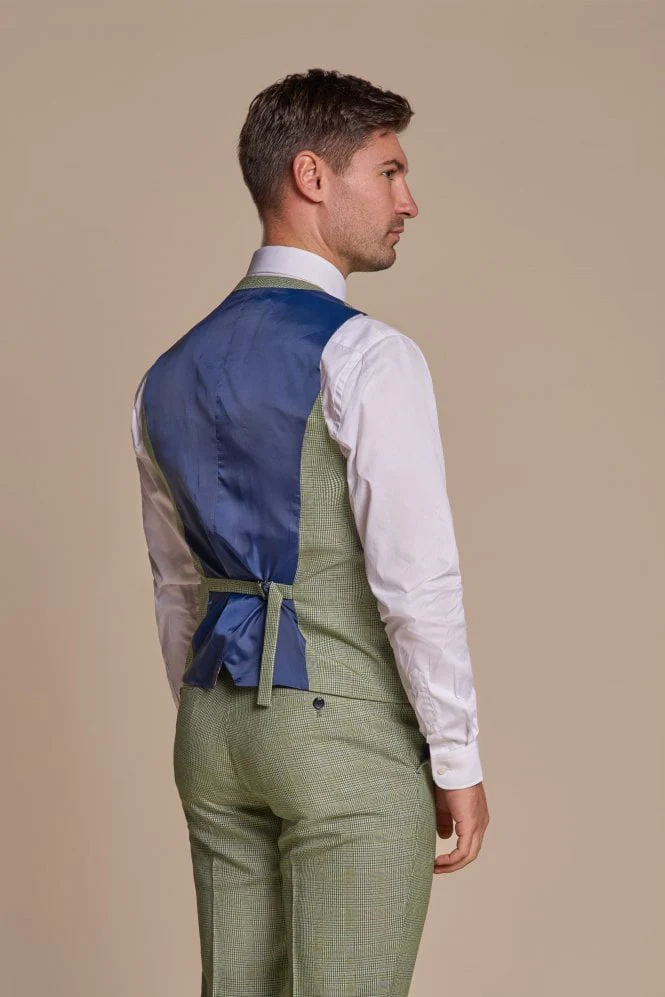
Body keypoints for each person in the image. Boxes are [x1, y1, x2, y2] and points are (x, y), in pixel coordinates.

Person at [131, 67, 490, 997]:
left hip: (212, 733)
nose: (408, 201)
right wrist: (455, 755)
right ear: (311, 175)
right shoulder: (367, 354)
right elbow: (415, 579)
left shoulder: (163, 374)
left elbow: (176, 585)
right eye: (389, 171)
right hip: (340, 734)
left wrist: (216, 716)